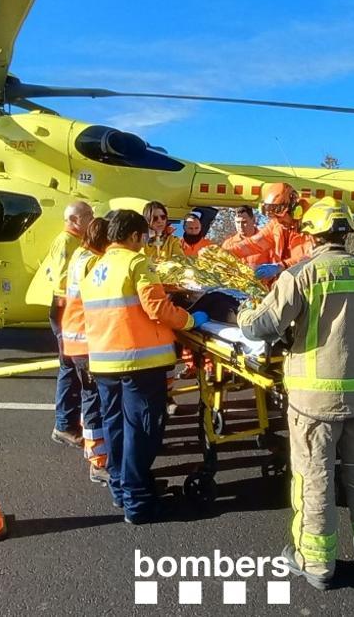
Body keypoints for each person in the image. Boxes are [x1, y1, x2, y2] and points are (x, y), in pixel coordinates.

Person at [238, 198, 354, 590]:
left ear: (311, 234)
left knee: (315, 479)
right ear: (346, 233)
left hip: (314, 401)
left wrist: (243, 312)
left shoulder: (301, 274)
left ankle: (317, 562)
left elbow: (263, 327)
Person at [81, 209, 209, 524]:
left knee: (116, 427)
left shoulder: (95, 267)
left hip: (104, 361)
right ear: (136, 236)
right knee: (143, 430)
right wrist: (191, 319)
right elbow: (157, 308)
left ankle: (122, 492)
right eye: (145, 237)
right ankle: (138, 503)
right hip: (139, 361)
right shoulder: (137, 262)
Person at [37, 200, 95, 448]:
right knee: (70, 366)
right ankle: (64, 425)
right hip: (64, 309)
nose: (92, 219)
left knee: (72, 367)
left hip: (68, 308)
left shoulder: (77, 242)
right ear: (74, 219)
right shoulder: (66, 242)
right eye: (88, 216)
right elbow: (62, 279)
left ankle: (69, 421)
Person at [60, 217, 111, 484]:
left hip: (75, 335)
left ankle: (96, 454)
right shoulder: (94, 262)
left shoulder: (80, 255)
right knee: (94, 398)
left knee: (89, 396)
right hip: (86, 340)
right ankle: (98, 462)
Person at [252, 182, 313, 281]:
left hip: (305, 281)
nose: (279, 222)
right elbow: (254, 244)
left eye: (281, 219)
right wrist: (225, 251)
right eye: (275, 219)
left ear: (294, 211)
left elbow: (309, 257)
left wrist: (281, 266)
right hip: (287, 282)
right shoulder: (277, 224)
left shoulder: (311, 226)